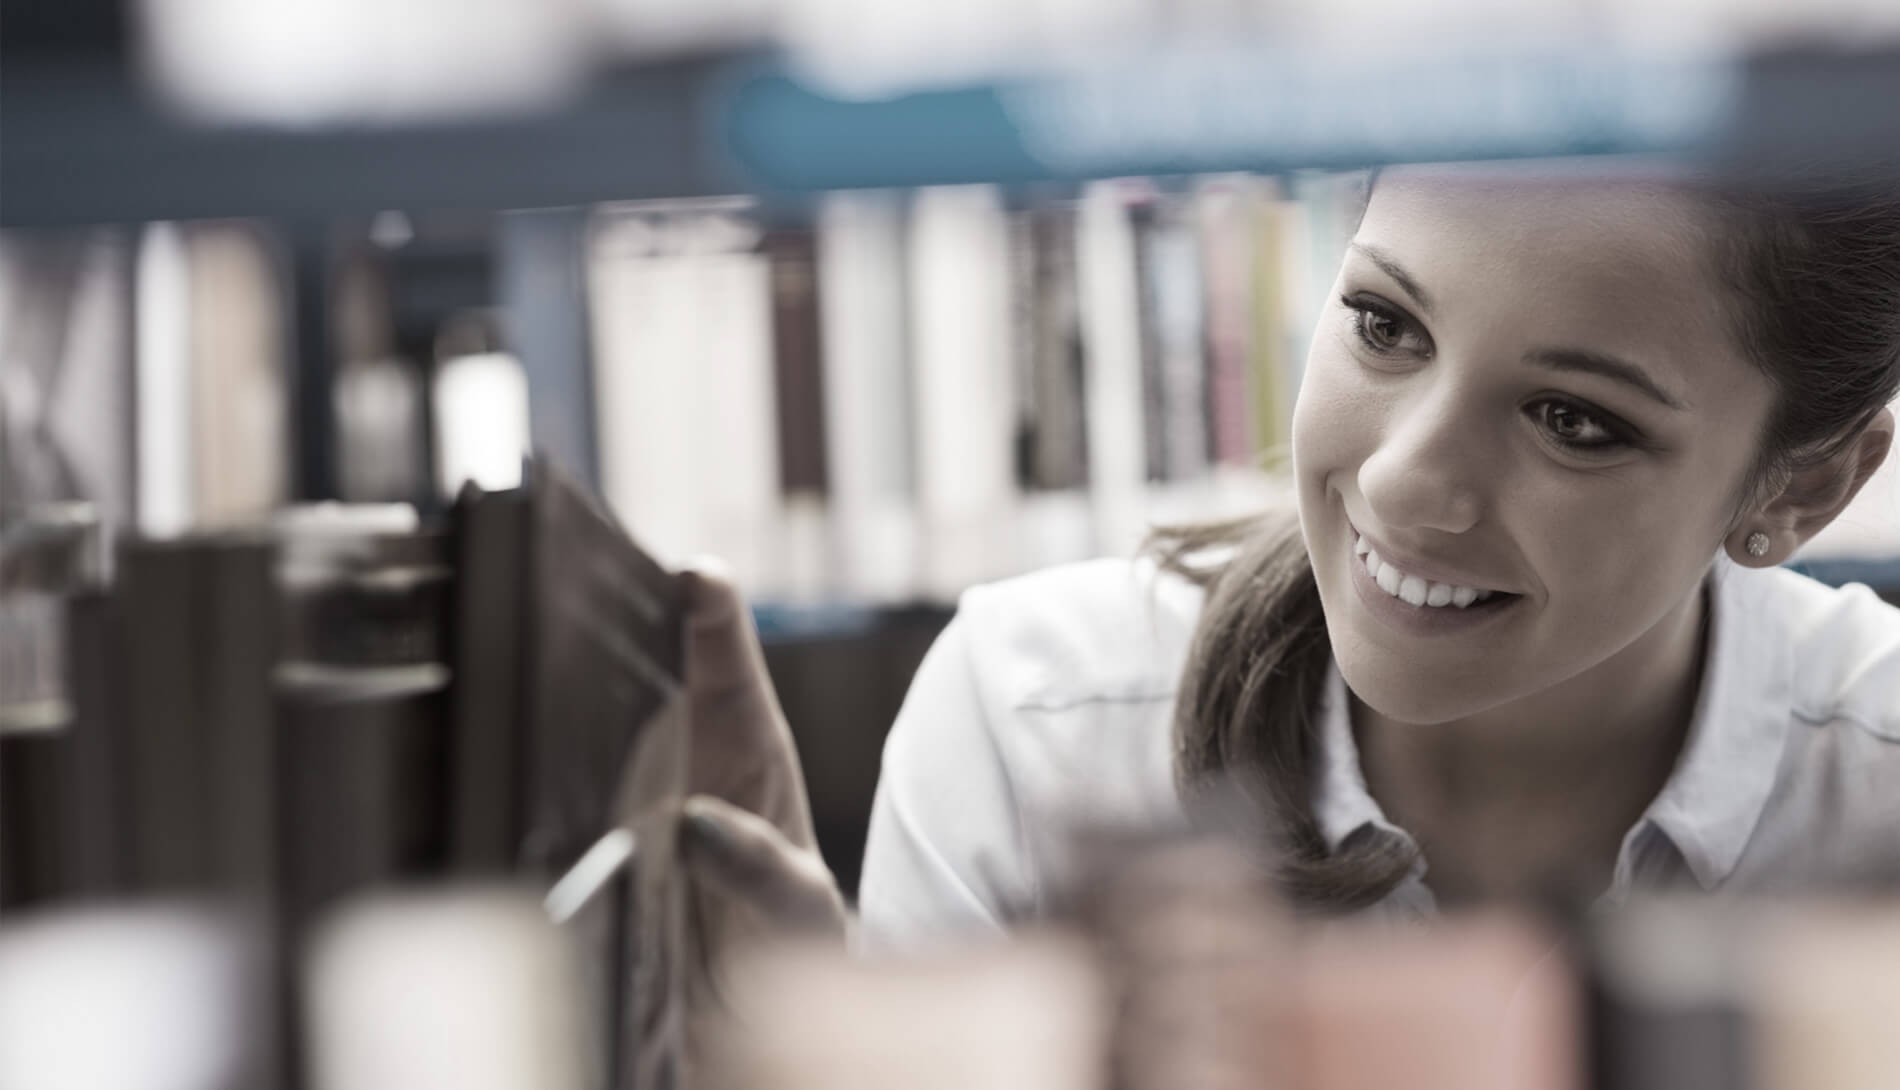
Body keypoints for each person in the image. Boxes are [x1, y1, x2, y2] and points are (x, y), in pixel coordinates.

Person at [673, 162, 1900, 980]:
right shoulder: (1034, 722)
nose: (1406, 481)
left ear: (1802, 486)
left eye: (1572, 419)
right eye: (1384, 325)